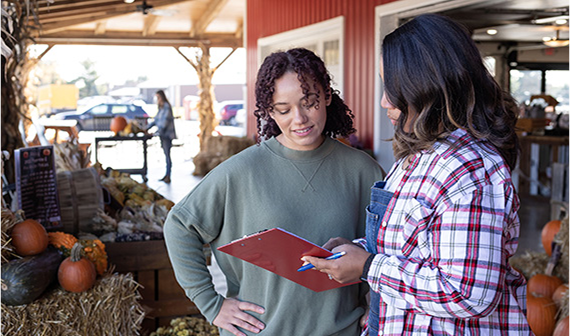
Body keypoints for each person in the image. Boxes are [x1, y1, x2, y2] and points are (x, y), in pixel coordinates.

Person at [303, 14, 531, 335]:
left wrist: (368, 267)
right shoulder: (416, 157)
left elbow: (468, 294)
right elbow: (415, 250)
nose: (384, 101)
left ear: (426, 88)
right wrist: (358, 251)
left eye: (392, 88)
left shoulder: (470, 168)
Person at [163, 47, 385, 336]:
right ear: (269, 111)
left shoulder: (364, 171)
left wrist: (375, 302)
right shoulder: (241, 170)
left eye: (309, 102)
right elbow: (179, 225)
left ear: (327, 96)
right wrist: (211, 304)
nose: (299, 118)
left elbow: (388, 251)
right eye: (283, 109)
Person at [147, 90, 176, 183]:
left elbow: (164, 123)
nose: (157, 100)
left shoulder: (167, 107)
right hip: (162, 135)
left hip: (167, 135)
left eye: (158, 97)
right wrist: (146, 128)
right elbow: (156, 120)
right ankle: (166, 175)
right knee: (165, 155)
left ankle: (168, 175)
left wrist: (156, 132)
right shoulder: (161, 107)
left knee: (167, 155)